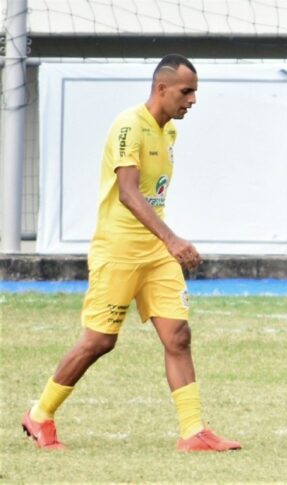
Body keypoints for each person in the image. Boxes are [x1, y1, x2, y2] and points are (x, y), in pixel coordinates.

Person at [21, 54, 241, 452]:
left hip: (155, 255)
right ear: (161, 88)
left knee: (178, 336)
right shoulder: (129, 126)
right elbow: (127, 193)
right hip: (118, 251)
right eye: (186, 92)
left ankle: (193, 431)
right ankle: (40, 414)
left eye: (194, 92)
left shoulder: (169, 132)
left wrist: (164, 244)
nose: (192, 100)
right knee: (99, 342)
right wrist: (173, 240)